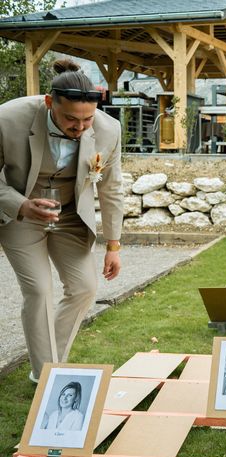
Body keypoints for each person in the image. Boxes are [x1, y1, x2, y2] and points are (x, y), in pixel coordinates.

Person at [0, 59, 124, 384]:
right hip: (21, 215)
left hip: (71, 215)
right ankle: (46, 378)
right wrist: (22, 205)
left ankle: (48, 360)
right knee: (39, 292)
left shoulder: (109, 129)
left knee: (84, 288)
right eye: (70, 118)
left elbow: (111, 188)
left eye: (87, 119)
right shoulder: (8, 118)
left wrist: (114, 245)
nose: (80, 127)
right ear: (49, 102)